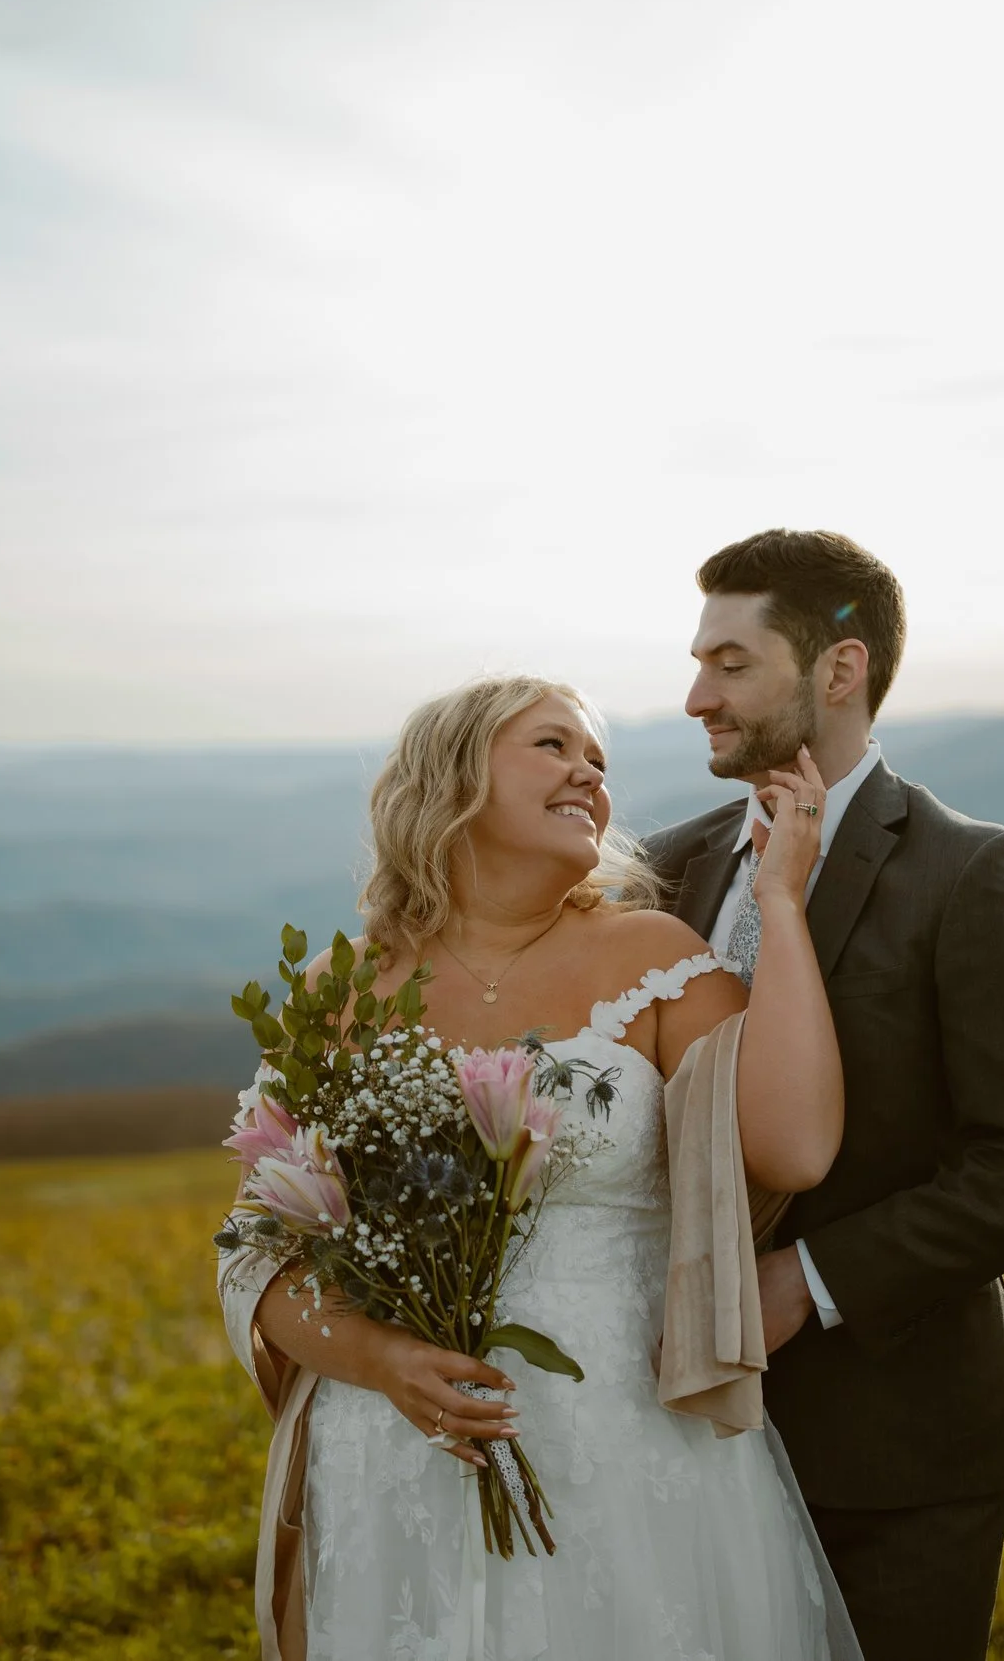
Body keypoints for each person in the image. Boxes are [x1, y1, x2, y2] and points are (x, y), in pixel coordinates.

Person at [216, 674, 866, 1659]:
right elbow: (256, 1251)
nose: (587, 774)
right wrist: (385, 1361)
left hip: (627, 1438)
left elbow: (796, 1146)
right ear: (453, 777)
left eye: (598, 761)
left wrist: (780, 901)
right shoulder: (337, 990)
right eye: (552, 746)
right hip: (397, 1451)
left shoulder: (653, 954)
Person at [642, 527, 1004, 1659]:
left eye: (732, 662)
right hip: (672, 1437)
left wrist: (804, 1279)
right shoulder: (665, 866)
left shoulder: (970, 872)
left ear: (837, 670)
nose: (696, 693)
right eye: (698, 660)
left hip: (896, 1452)